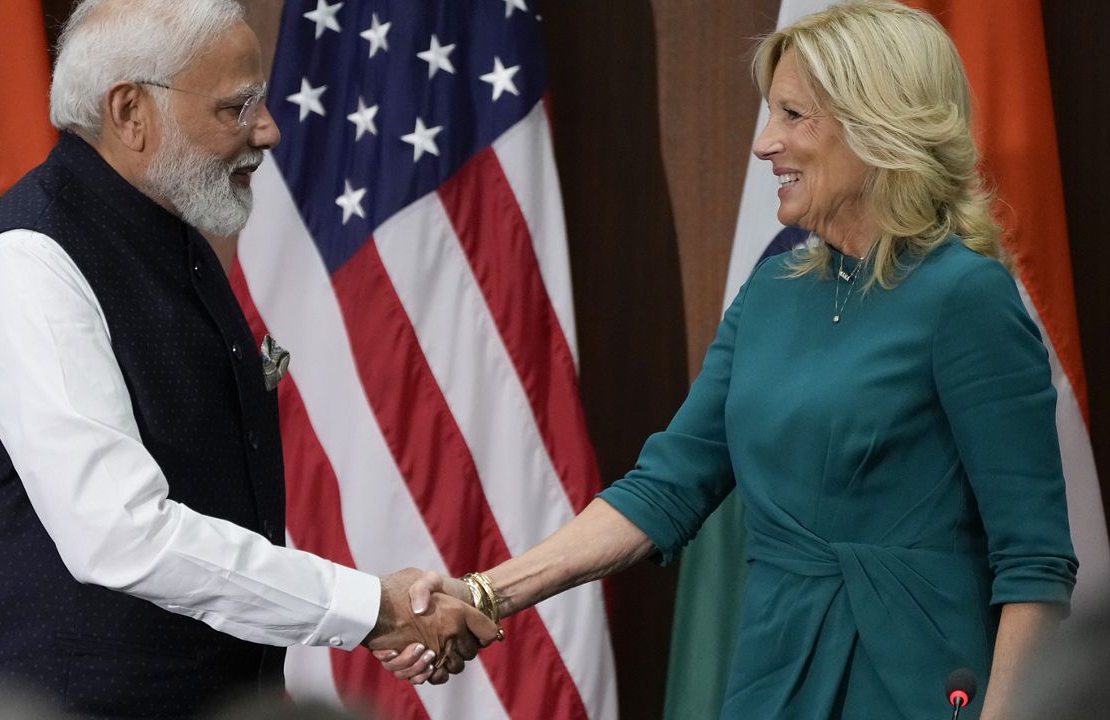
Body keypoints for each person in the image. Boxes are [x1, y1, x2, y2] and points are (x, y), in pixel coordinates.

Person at [379, 1, 1079, 717]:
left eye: (793, 115)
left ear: (879, 125)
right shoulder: (773, 293)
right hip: (775, 674)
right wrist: (485, 591)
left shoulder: (965, 295)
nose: (764, 143)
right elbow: (666, 487)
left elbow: (1035, 567)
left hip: (917, 682)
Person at [0, 0, 496, 717]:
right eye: (237, 107)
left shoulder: (172, 237)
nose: (268, 129)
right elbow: (120, 534)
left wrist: (373, 610)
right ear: (130, 111)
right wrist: (371, 608)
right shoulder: (28, 263)